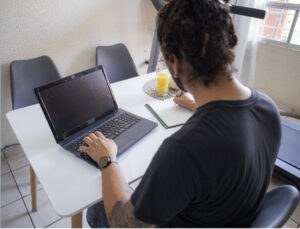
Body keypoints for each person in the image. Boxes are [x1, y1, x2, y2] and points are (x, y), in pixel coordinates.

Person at [81, 0, 281, 227]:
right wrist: (199, 105)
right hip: (229, 216)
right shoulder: (268, 108)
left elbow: (123, 225)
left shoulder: (183, 149)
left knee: (97, 210)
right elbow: (231, 131)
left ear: (174, 63)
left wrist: (107, 160)